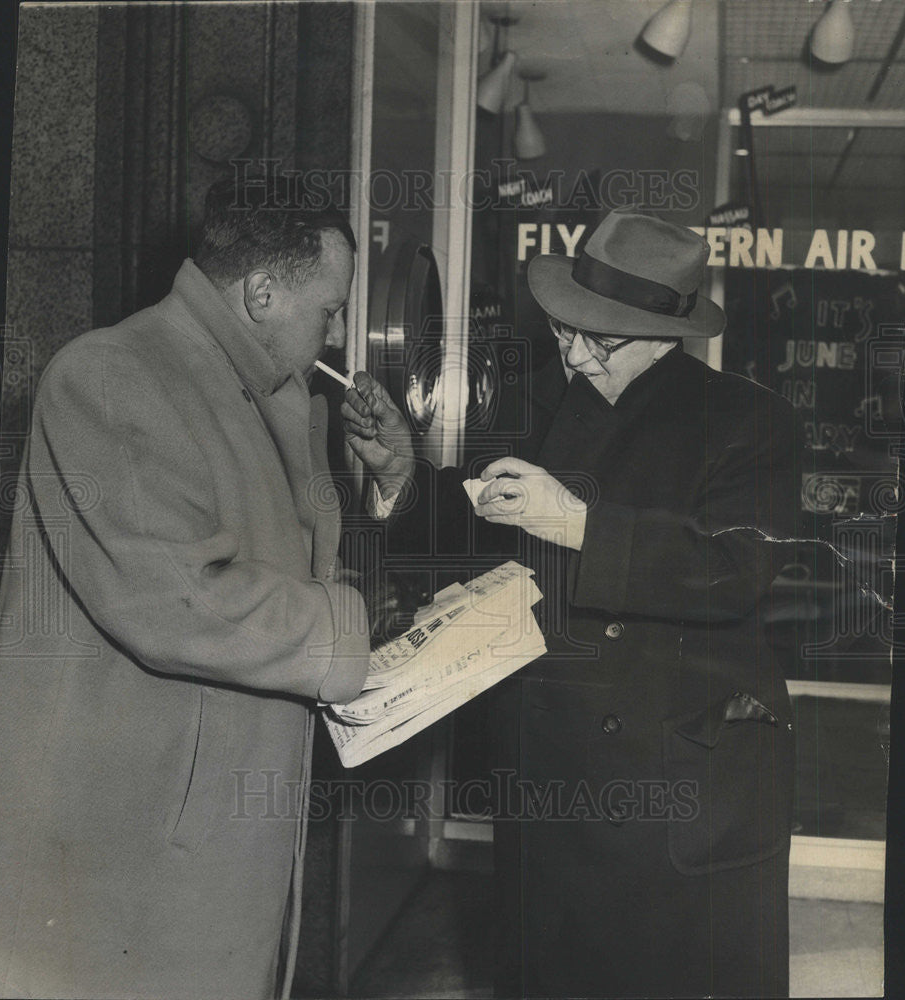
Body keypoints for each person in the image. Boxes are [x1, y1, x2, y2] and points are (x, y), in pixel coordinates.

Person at [342, 210, 802, 998]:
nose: (577, 354)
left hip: (675, 783)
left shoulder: (750, 422)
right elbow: (475, 529)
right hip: (549, 776)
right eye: (566, 329)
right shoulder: (533, 402)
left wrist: (579, 524)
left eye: (604, 339)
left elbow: (736, 571)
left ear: (670, 333)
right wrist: (402, 477)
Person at [0, 178, 408, 999]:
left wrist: (387, 481)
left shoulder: (281, 396)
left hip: (213, 823)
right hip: (126, 841)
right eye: (331, 309)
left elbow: (299, 580)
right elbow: (181, 599)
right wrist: (353, 630)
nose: (342, 332)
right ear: (260, 292)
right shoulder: (110, 373)